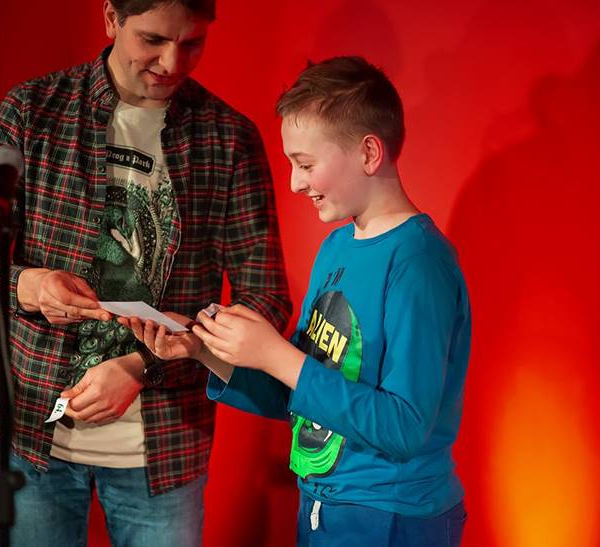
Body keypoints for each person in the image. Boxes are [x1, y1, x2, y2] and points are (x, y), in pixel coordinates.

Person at [126, 56, 472, 546]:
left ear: (369, 153)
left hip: (389, 516)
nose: (294, 182)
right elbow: (302, 391)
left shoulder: (418, 262)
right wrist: (204, 349)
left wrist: (275, 354)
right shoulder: (336, 247)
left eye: (306, 164)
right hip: (323, 506)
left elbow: (405, 426)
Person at [0, 1, 291, 545]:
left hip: (165, 447)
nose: (172, 62)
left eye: (192, 44)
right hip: (33, 433)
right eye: (153, 39)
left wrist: (144, 366)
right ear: (111, 18)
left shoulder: (230, 138)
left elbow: (264, 299)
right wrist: (27, 286)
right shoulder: (31, 111)